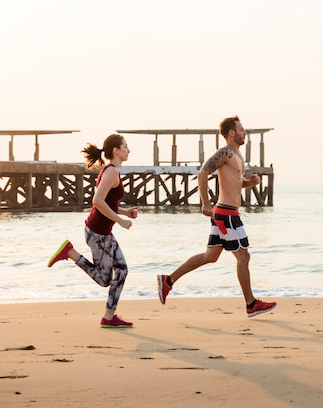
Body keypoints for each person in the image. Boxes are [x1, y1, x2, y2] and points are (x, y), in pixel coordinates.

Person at [157, 116, 276, 317]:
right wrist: (205, 202)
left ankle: (168, 281)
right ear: (232, 133)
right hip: (227, 214)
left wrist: (250, 183)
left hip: (226, 212)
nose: (244, 133)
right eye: (241, 129)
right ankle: (251, 304)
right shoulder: (226, 152)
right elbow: (203, 173)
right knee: (243, 256)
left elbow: (235, 183)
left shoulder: (237, 156)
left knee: (210, 257)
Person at [48, 134, 138, 328]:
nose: (128, 150)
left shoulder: (112, 171)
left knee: (122, 270)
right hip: (98, 233)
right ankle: (69, 253)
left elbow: (107, 203)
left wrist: (125, 212)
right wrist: (121, 221)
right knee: (104, 279)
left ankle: (108, 316)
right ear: (116, 150)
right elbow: (97, 201)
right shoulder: (111, 172)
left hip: (102, 232)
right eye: (125, 147)